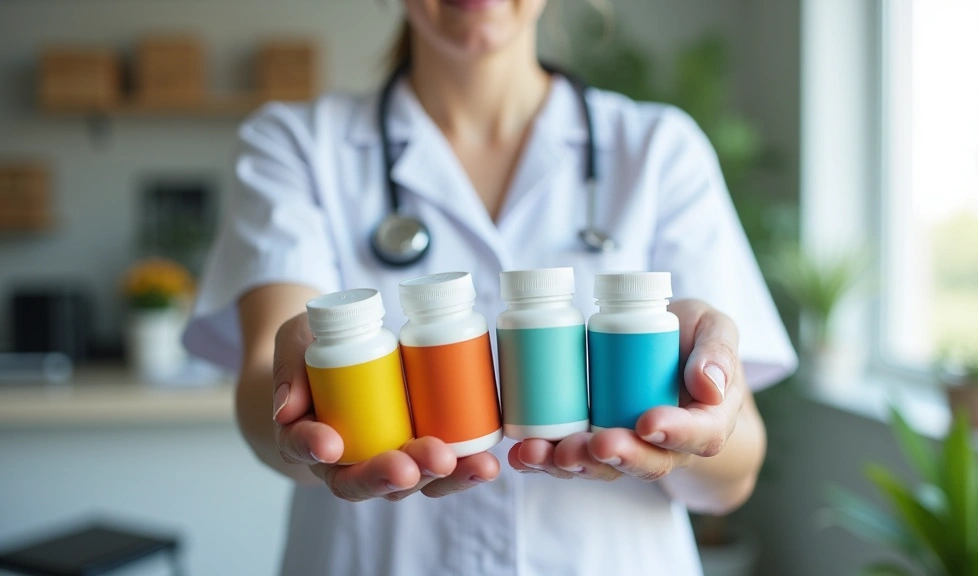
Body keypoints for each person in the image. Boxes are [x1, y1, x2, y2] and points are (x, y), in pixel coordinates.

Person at [183, 1, 797, 574]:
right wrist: (300, 400)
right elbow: (266, 380)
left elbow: (735, 471)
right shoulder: (296, 146)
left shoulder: (660, 151)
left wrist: (696, 429)